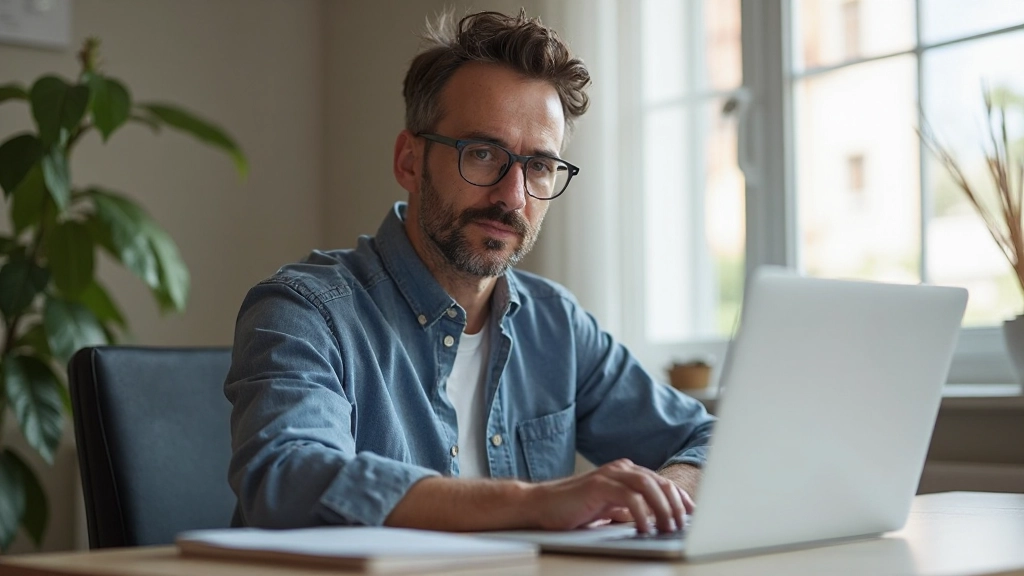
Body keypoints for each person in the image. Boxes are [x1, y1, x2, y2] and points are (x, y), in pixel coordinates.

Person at [225, 9, 715, 536]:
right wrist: (533, 503)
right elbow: (287, 480)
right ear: (409, 161)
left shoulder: (558, 325)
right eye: (482, 153)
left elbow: (712, 442)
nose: (513, 196)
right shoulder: (304, 311)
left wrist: (661, 493)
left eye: (539, 166)